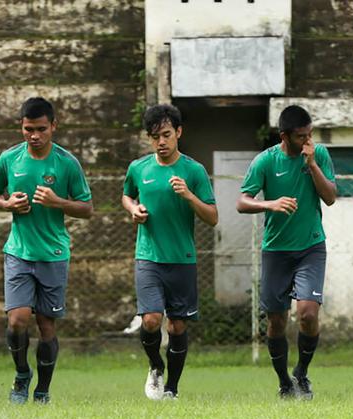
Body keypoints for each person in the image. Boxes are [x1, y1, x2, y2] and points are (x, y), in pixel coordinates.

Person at [0, 97, 92, 405]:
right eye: (28, 129)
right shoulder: (9, 159)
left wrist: (58, 202)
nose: (34, 136)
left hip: (54, 254)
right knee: (17, 319)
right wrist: (7, 204)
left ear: (53, 127)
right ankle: (22, 375)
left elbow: (87, 208)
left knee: (46, 324)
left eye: (41, 129)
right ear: (21, 127)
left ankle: (43, 390)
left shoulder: (67, 163)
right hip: (19, 251)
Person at [237, 105, 337, 400]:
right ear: (284, 136)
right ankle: (284, 382)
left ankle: (302, 374)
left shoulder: (318, 155)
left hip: (311, 246)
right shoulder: (265, 162)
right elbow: (242, 202)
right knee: (277, 320)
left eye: (310, 135)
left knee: (307, 313)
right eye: (301, 136)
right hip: (276, 250)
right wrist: (270, 204)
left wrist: (313, 164)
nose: (307, 141)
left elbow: (330, 198)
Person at [121, 104, 217, 400]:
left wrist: (189, 195)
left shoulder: (194, 170)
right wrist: (134, 209)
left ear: (178, 132)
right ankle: (155, 366)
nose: (160, 142)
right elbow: (126, 196)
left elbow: (212, 217)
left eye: (165, 135)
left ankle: (172, 389)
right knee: (151, 319)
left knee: (177, 325)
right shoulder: (139, 168)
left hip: (182, 259)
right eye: (154, 137)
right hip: (149, 256)